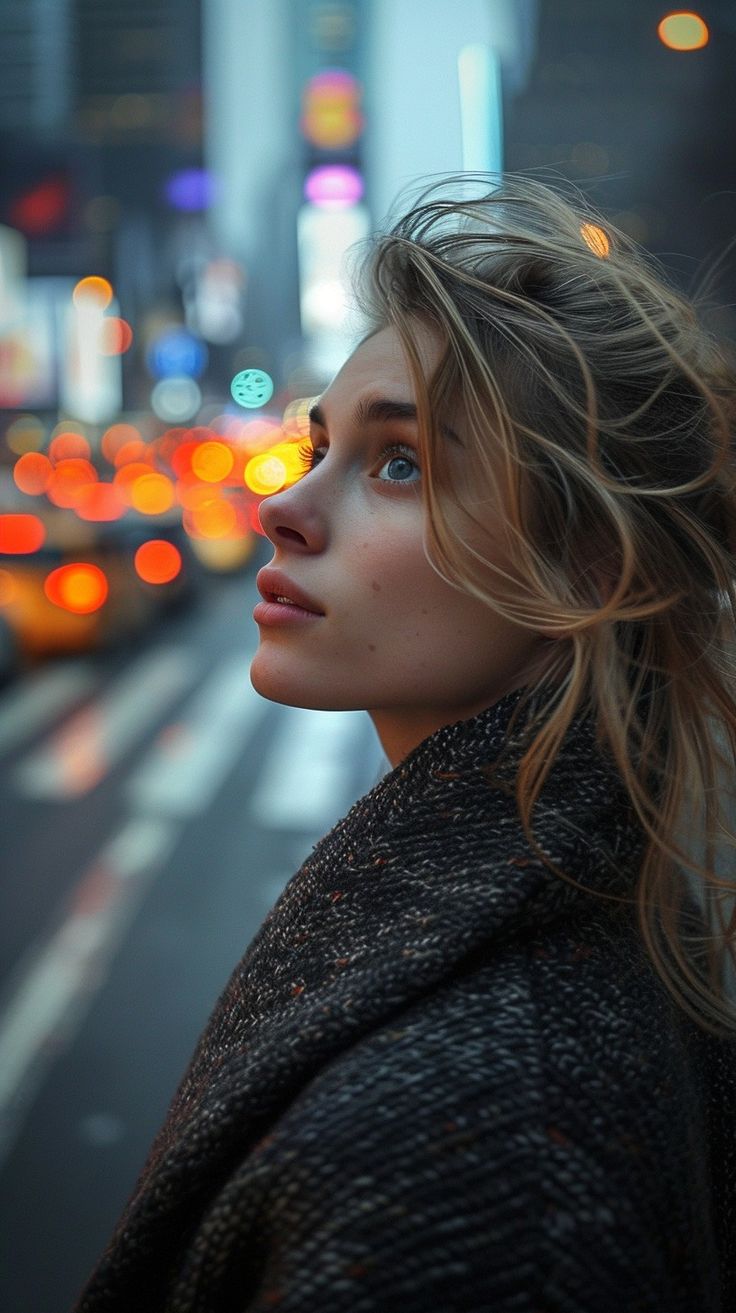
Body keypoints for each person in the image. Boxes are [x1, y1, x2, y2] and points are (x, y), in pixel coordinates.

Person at [74, 174, 736, 1312]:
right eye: (319, 443)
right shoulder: (600, 917)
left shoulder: (481, 1157)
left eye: (402, 463)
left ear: (591, 570)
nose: (287, 506)